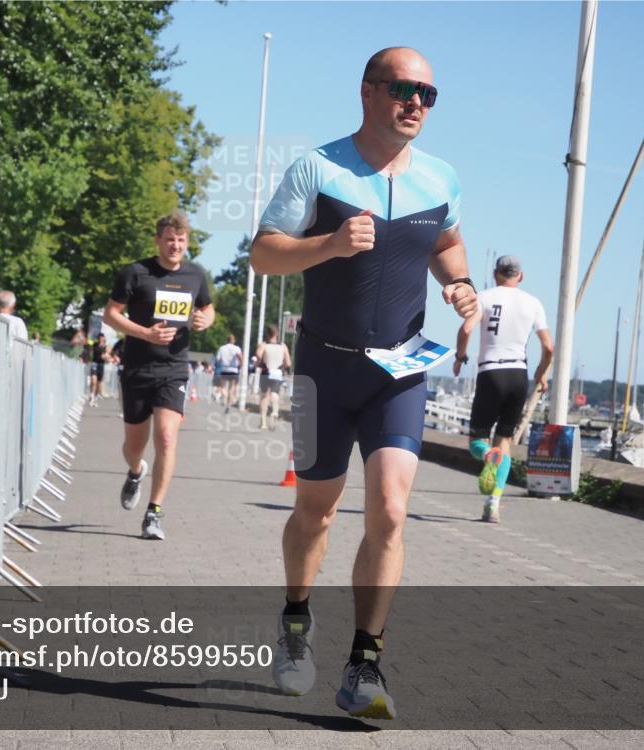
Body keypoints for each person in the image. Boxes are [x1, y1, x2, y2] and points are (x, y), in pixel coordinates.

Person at [250, 47, 477, 719]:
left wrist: (460, 286)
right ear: (368, 92)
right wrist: (328, 245)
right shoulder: (317, 168)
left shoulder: (441, 179)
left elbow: (447, 245)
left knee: (391, 509)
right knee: (314, 512)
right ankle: (295, 622)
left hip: (400, 370)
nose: (416, 103)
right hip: (325, 367)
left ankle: (364, 665)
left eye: (428, 94)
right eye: (404, 89)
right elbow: (263, 254)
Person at [102, 210, 214, 540]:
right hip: (138, 367)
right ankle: (136, 472)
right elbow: (110, 314)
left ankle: (154, 513)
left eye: (181, 240)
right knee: (134, 446)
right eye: (169, 240)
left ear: (187, 243)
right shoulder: (136, 273)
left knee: (166, 437)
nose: (175, 245)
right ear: (158, 241)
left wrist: (206, 319)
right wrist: (144, 333)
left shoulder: (196, 276)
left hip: (174, 369)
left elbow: (207, 308)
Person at [453, 254, 554, 523]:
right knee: (505, 442)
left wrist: (460, 358)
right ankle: (493, 504)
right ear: (520, 276)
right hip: (518, 376)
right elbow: (548, 347)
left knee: (478, 442)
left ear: (496, 273)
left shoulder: (484, 297)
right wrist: (541, 374)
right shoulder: (533, 303)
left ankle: (488, 455)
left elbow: (466, 330)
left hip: (491, 373)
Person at [256, 325, 291, 430]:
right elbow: (288, 363)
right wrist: (282, 366)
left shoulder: (264, 345)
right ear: (277, 334)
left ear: (268, 334)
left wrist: (260, 362)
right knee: (274, 393)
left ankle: (263, 422)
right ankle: (275, 412)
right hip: (277, 372)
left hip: (266, 371)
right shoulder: (283, 346)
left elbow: (258, 354)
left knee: (264, 397)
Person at [215, 334, 243, 413]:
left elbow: (217, 359)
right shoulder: (236, 348)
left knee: (222, 386)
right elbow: (240, 357)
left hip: (224, 369)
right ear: (233, 341)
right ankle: (228, 405)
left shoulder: (222, 348)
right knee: (231, 388)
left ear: (227, 340)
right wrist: (240, 365)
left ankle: (225, 396)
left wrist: (221, 363)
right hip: (233, 370)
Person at [88, 333, 109, 407]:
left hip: (101, 365)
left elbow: (108, 356)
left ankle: (95, 398)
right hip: (94, 363)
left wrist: (106, 356)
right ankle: (91, 395)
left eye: (102, 337)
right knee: (93, 380)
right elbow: (89, 346)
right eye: (99, 337)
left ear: (103, 338)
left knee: (98, 383)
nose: (100, 339)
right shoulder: (94, 345)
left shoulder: (105, 346)